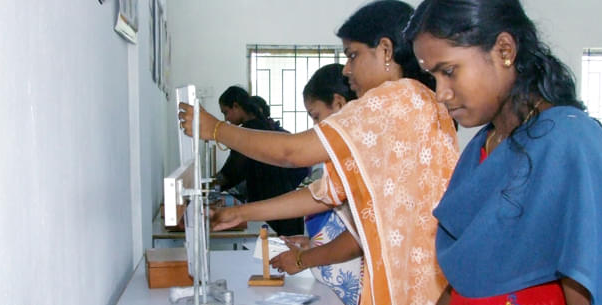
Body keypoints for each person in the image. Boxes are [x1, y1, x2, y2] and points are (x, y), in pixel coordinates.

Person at [179, 1, 459, 303]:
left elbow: (291, 152)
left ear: (385, 51)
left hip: (408, 286)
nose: (347, 69)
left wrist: (216, 130)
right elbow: (322, 194)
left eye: (353, 55)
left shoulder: (393, 99)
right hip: (428, 283)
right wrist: (239, 213)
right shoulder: (420, 103)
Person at [405, 0, 602, 304]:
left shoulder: (573, 145)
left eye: (449, 71)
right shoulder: (483, 146)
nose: (441, 93)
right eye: (432, 77)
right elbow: (464, 278)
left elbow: (589, 281)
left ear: (504, 50)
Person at [269, 63, 363, 305]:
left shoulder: (362, 160)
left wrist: (303, 259)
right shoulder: (340, 159)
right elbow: (340, 224)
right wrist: (312, 242)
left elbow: (357, 238)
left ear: (339, 104)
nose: (315, 126)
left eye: (316, 116)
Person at [213, 86, 308, 236]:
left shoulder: (248, 132)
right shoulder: (266, 125)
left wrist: (208, 186)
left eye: (226, 112)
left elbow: (231, 173)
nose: (226, 119)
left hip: (271, 208)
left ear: (236, 106)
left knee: (273, 248)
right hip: (286, 205)